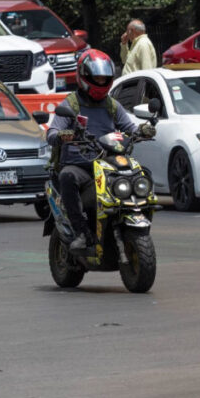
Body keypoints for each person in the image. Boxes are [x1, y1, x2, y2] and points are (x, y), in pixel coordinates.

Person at [46, 49, 155, 253]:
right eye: (97, 77)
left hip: (107, 163)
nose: (101, 81)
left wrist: (143, 131)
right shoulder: (71, 104)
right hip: (80, 166)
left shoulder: (111, 105)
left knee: (142, 174)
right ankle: (80, 232)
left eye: (104, 78)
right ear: (84, 76)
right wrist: (62, 135)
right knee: (68, 176)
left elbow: (129, 128)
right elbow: (52, 132)